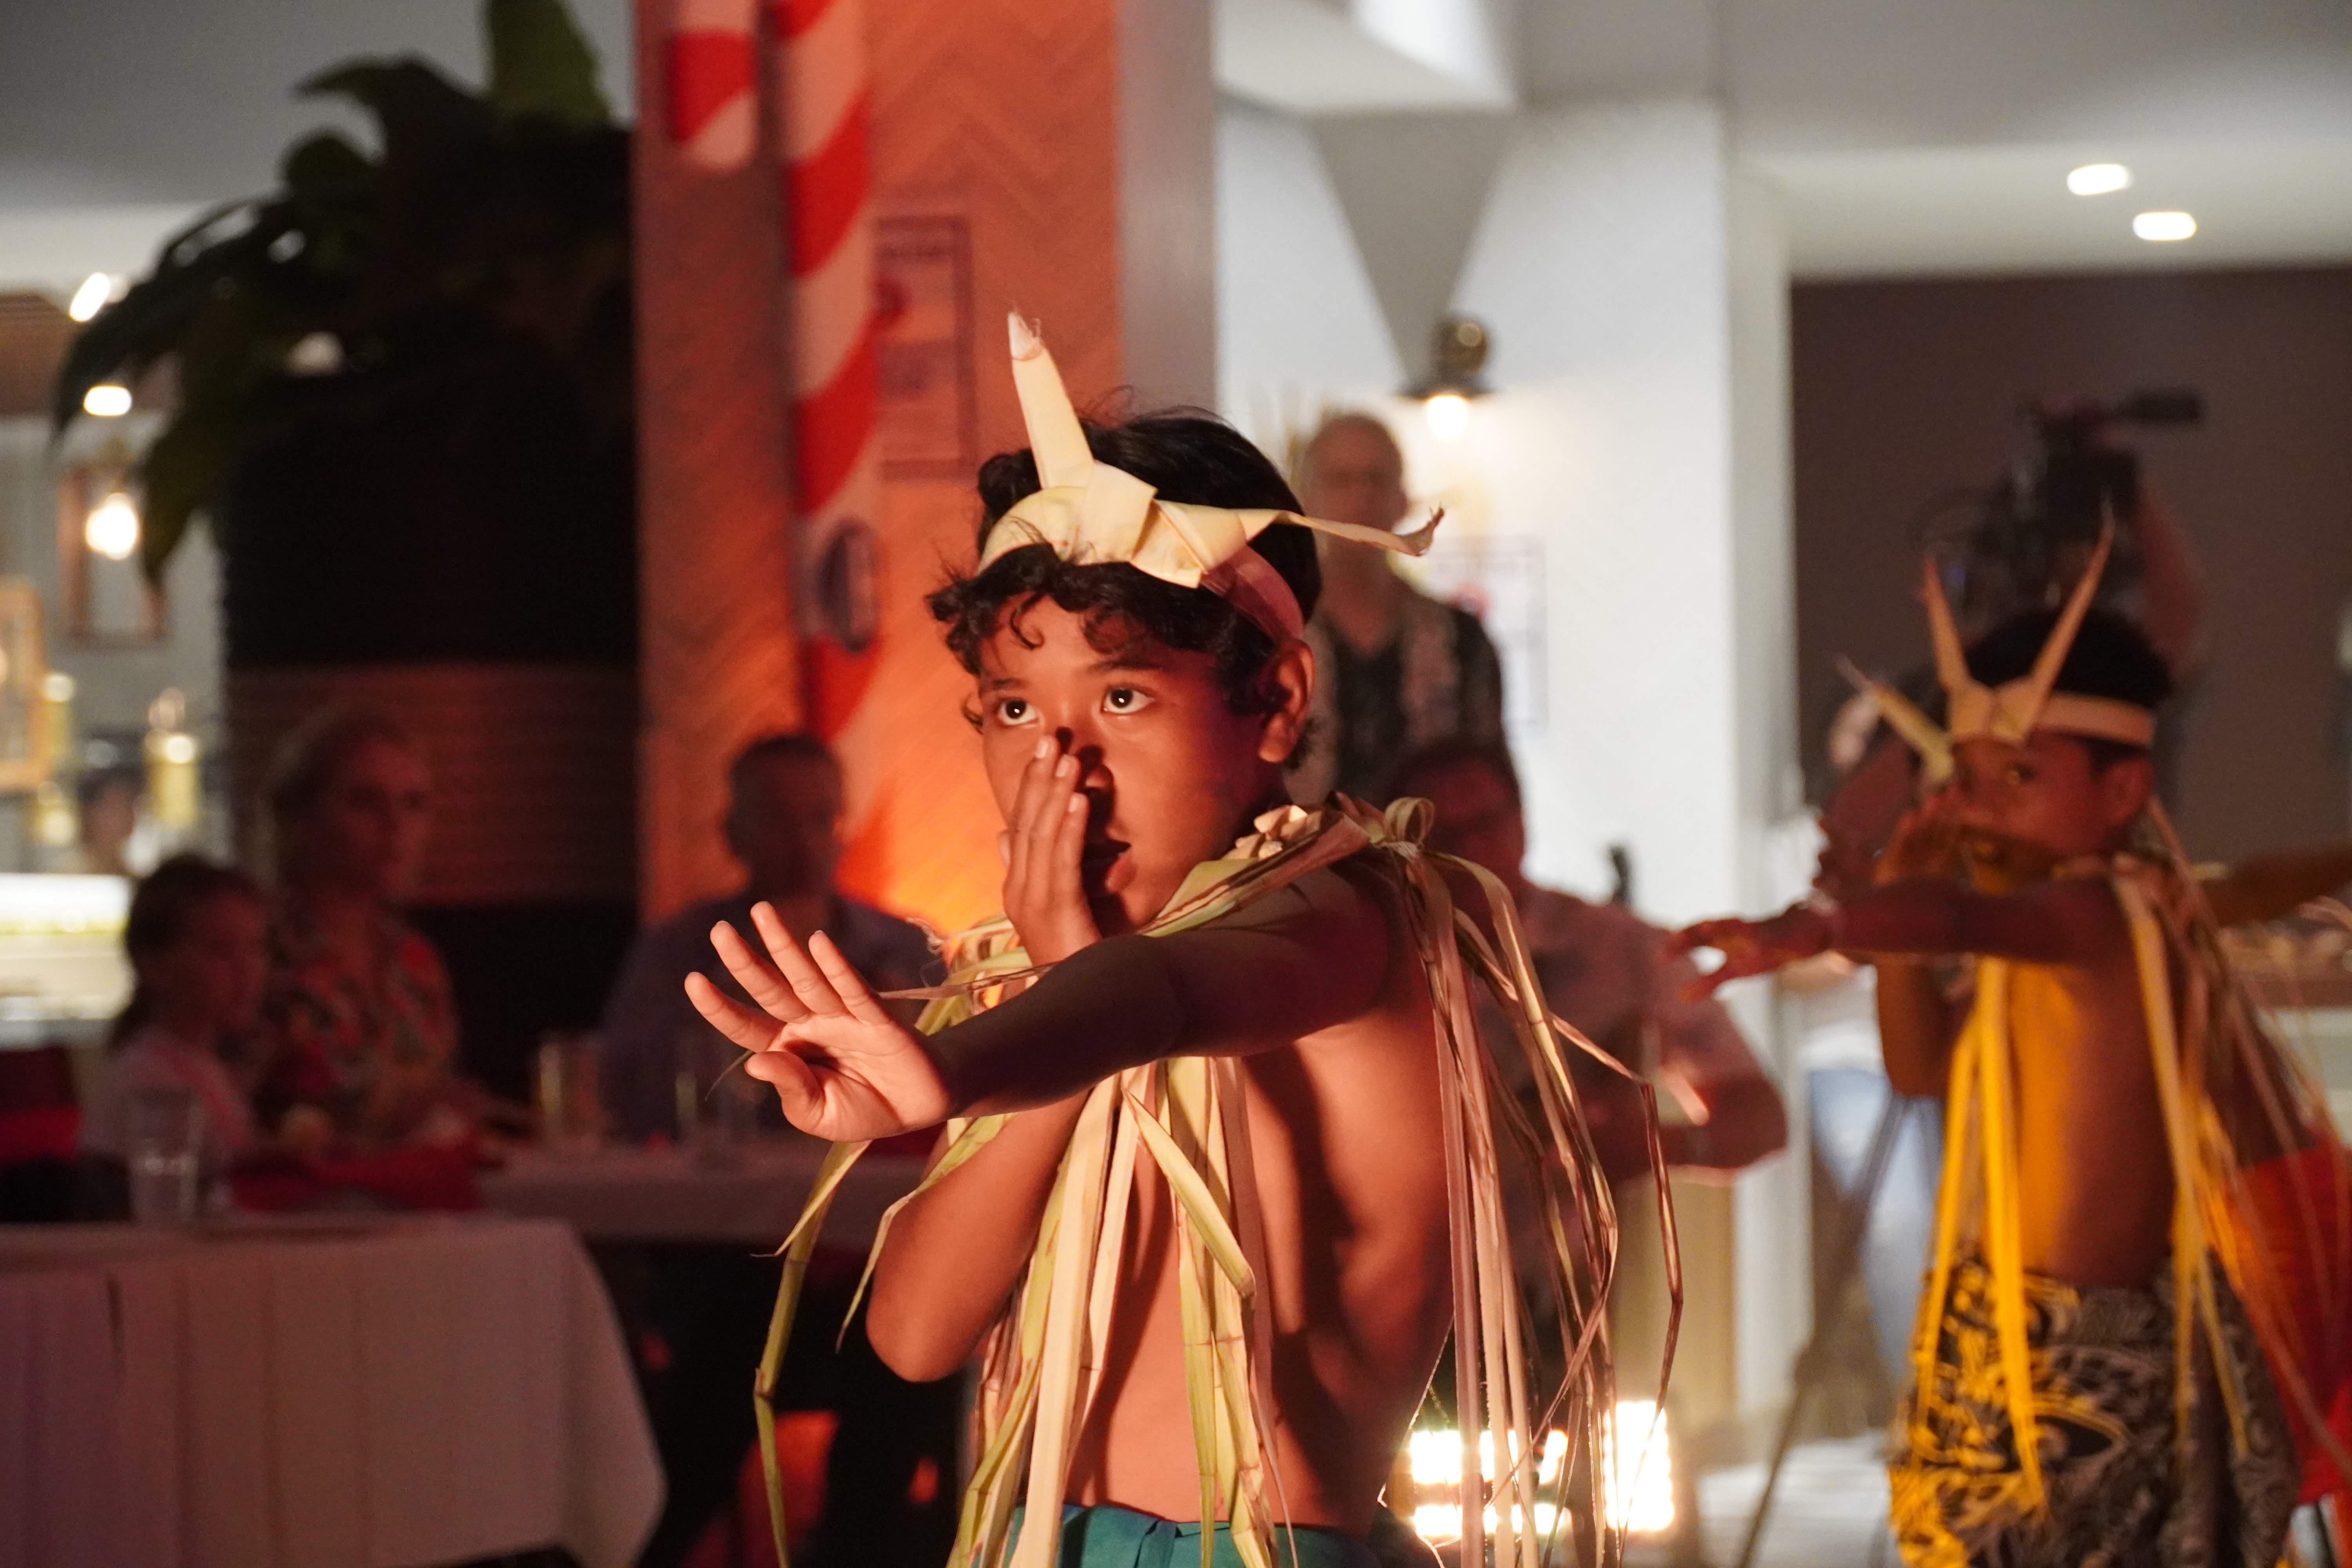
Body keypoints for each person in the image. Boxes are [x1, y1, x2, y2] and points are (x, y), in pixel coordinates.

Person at [687, 318, 1632, 1568]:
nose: (1058, 762)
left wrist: (969, 1058)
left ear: (1277, 702)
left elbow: (1168, 990)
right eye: (1015, 707)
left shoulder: (1340, 920)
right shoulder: (1064, 986)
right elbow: (914, 1334)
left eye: (1122, 696)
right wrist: (1025, 1015)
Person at [1673, 542, 2344, 1567]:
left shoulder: (2102, 913)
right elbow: (1919, 1070)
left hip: (2086, 1355)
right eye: (1972, 777)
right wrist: (1894, 932)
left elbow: (1943, 910)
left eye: (2021, 776)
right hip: (2002, 1335)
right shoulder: (2029, 929)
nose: (1984, 804)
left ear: (2123, 790)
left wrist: (1824, 923)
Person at [1392, 737, 1786, 1180]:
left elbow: (1761, 1120)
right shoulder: (1378, 958)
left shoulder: (1624, 949)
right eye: (1442, 838)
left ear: (1522, 823)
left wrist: (1649, 1145)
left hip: (1561, 1243)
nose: (1469, 852)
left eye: (1487, 825)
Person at [599, 732, 932, 1143]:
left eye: (822, 819)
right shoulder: (678, 952)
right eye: (778, 821)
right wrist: (726, 1008)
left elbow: (957, 1089)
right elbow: (630, 1098)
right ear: (733, 835)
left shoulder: (908, 949)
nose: (803, 843)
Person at [252, 708, 472, 1150]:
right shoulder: (256, 950)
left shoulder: (415, 962)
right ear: (301, 816)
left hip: (415, 1202)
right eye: (365, 802)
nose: (397, 828)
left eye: (414, 804)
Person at [1287, 412, 1504, 804]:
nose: (1361, 498)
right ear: (1309, 500)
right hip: (1301, 859)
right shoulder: (1273, 636)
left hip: (1431, 857)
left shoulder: (1461, 639)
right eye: (1340, 481)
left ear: (1402, 499)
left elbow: (1492, 779)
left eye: (1376, 479)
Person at [79, 855, 269, 1185]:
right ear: (155, 967)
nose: (247, 971)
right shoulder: (148, 1079)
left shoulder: (201, 1064)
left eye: (254, 948)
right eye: (221, 952)